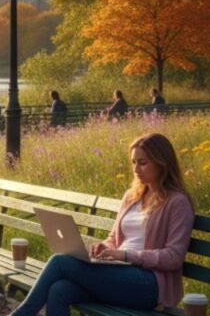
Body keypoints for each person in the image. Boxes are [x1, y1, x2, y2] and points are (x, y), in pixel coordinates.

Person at [11, 133, 195, 316]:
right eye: (133, 162)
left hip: (148, 284)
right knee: (60, 290)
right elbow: (114, 238)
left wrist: (125, 255)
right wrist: (104, 247)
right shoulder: (132, 196)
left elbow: (174, 257)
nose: (136, 169)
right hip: (117, 274)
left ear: (162, 163)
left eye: (143, 162)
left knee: (60, 262)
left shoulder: (177, 202)